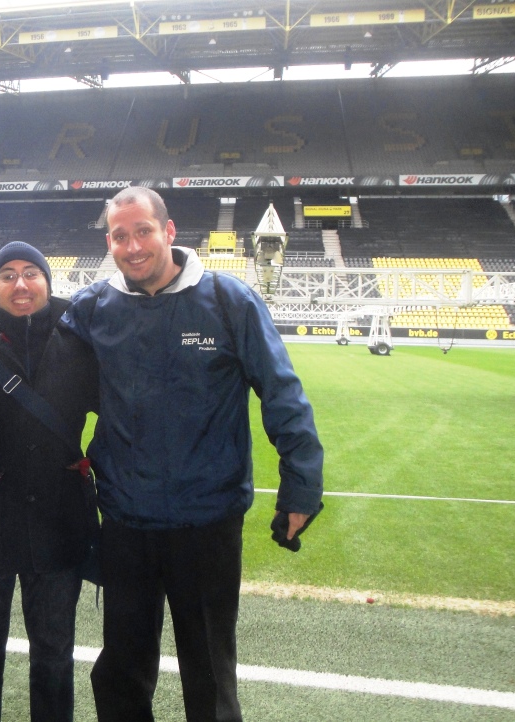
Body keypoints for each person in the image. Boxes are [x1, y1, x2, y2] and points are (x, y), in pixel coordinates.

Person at [61, 187, 324, 722]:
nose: (132, 246)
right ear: (108, 240)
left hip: (207, 520)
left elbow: (282, 394)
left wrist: (302, 487)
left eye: (143, 231)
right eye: (119, 235)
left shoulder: (229, 301)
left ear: (170, 231)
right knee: (122, 669)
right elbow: (49, 377)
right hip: (127, 521)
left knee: (207, 669)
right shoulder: (92, 308)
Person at [0, 241, 99, 722]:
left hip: (59, 523)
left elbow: (120, 416)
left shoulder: (81, 345)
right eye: (6, 275)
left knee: (53, 657)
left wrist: (95, 459)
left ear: (49, 283)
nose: (20, 283)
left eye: (31, 273)